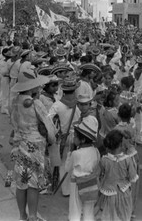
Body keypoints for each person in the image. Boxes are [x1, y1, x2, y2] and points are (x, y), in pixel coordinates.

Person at [10, 68, 56, 221]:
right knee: (33, 182)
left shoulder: (14, 102)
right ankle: (33, 216)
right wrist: (52, 140)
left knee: (21, 181)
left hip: (19, 143)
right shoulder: (36, 103)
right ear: (31, 87)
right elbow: (49, 126)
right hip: (35, 145)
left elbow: (13, 123)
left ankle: (22, 215)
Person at [95, 129, 138, 221]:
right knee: (123, 216)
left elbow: (98, 175)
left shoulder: (104, 160)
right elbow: (133, 178)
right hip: (124, 193)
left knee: (109, 216)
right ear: (121, 144)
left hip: (108, 193)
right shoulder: (128, 160)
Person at [65, 116, 100, 221]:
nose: (74, 138)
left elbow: (67, 168)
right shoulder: (96, 151)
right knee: (88, 210)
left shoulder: (75, 154)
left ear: (82, 139)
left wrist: (69, 153)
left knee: (75, 209)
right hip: (91, 182)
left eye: (75, 136)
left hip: (76, 184)